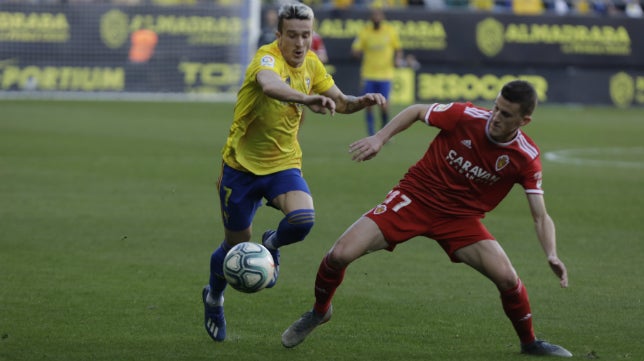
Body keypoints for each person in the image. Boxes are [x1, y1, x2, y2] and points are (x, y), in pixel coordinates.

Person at [281, 80, 573, 357]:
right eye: (496, 107)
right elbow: (417, 111)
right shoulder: (465, 116)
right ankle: (320, 311)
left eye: (506, 114)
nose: (495, 117)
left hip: (460, 220)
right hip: (415, 199)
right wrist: (380, 138)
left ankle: (529, 342)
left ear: (524, 121)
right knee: (339, 254)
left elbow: (540, 215)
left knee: (508, 278)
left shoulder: (525, 156)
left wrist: (552, 254)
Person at [202, 2, 387, 343]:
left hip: (283, 165)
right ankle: (213, 297)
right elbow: (271, 86)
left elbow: (341, 101)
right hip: (240, 169)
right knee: (234, 247)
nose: (300, 43)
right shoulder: (267, 58)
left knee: (303, 220)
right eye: (292, 36)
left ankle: (272, 241)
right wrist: (306, 99)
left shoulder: (313, 64)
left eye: (306, 35)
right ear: (279, 36)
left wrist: (361, 101)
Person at [351, 8, 403, 136]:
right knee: (368, 105)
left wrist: (397, 59)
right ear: (371, 18)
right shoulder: (365, 31)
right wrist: (356, 53)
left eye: (378, 15)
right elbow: (355, 49)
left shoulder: (390, 31)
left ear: (382, 17)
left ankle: (385, 132)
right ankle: (371, 133)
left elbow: (398, 48)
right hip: (368, 75)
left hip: (385, 75)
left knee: (384, 105)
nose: (376, 18)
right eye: (374, 16)